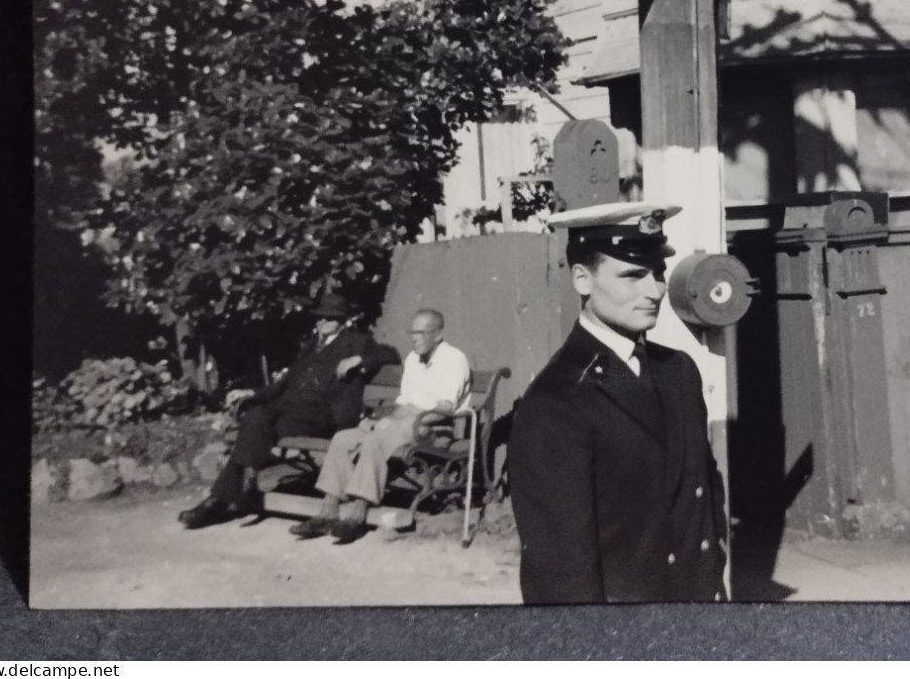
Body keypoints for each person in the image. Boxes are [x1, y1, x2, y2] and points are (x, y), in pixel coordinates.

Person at [509, 201, 727, 604]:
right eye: (632, 276)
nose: (656, 290)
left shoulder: (678, 371)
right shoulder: (556, 402)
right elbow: (561, 571)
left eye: (658, 273)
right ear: (582, 279)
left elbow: (702, 488)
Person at [178, 290, 397, 529]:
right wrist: (252, 393)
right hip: (294, 412)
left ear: (342, 320)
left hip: (325, 415)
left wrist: (359, 361)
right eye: (320, 317)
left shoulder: (356, 340)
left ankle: (224, 497)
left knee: (256, 419)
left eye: (329, 317)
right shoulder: (312, 344)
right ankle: (229, 493)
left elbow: (388, 354)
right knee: (256, 420)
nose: (322, 321)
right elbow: (286, 381)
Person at [289, 308, 472, 544]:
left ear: (437, 334)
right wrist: (382, 421)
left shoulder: (454, 359)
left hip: (436, 428)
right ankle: (329, 510)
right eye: (412, 332)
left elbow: (445, 410)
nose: (414, 338)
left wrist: (398, 424)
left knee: (377, 440)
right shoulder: (413, 359)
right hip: (408, 424)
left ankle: (358, 512)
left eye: (420, 333)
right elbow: (405, 404)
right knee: (344, 438)